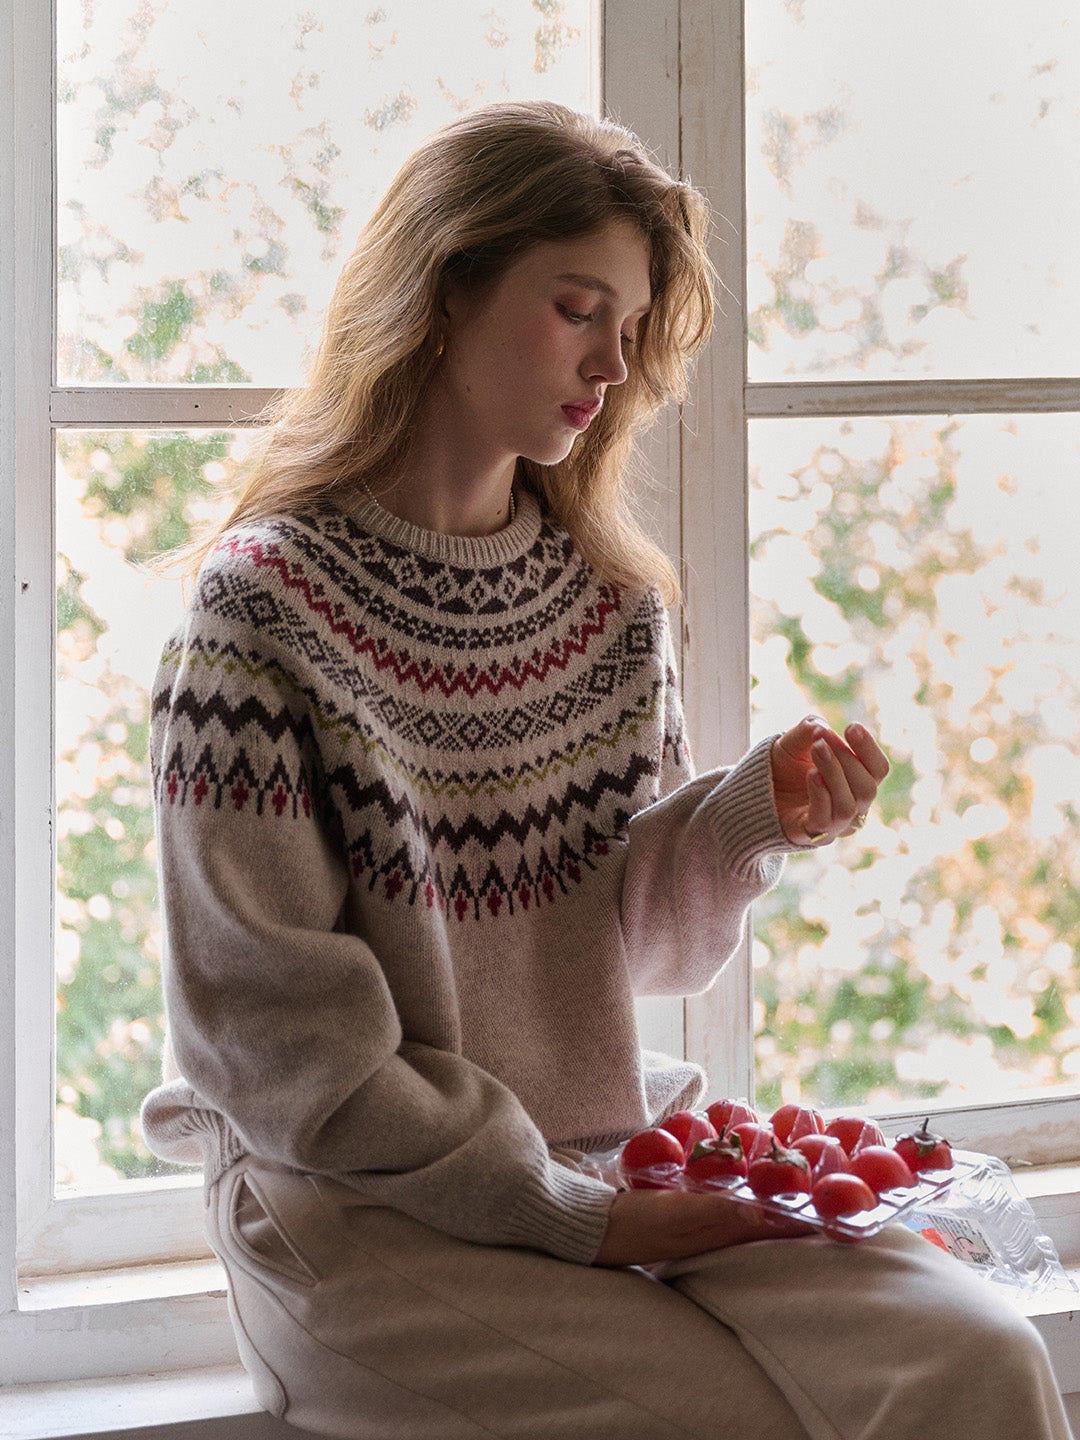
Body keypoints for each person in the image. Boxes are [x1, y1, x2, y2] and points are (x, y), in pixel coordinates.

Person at [140, 102, 1072, 1440]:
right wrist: (574, 1216)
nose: (608, 363)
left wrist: (748, 816)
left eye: (628, 330)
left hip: (601, 1151)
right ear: (444, 289)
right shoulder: (260, 619)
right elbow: (291, 1059)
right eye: (576, 309)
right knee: (743, 1416)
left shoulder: (605, 602)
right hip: (357, 1215)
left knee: (978, 1353)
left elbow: (624, 960)